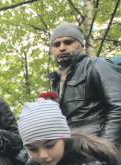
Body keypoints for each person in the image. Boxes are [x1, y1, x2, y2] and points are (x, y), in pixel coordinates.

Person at [47, 22, 121, 150]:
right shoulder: (57, 81)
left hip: (96, 145)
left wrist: (104, 151)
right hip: (72, 147)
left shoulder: (97, 65)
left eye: (68, 42)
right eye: (56, 44)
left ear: (81, 46)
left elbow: (118, 106)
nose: (62, 47)